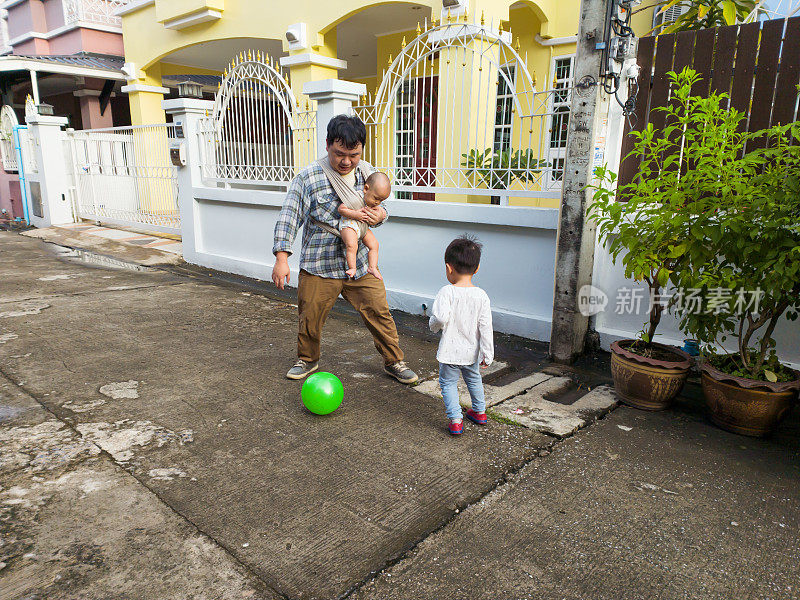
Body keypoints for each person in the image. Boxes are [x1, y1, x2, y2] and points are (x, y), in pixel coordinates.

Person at [272, 114, 418, 385]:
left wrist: (381, 215)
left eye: (354, 154)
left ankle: (394, 361)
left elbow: (385, 204)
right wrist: (282, 258)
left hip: (360, 263)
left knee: (379, 312)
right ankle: (307, 359)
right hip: (319, 263)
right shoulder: (308, 177)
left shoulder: (367, 172)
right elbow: (289, 216)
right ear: (327, 145)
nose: (347, 161)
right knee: (310, 315)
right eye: (340, 153)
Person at [429, 235, 494, 435]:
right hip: (471, 351)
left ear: (449, 268)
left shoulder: (447, 292)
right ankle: (480, 412)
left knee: (448, 383)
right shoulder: (481, 295)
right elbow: (486, 326)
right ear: (477, 269)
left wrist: (433, 326)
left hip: (450, 351)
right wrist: (487, 353)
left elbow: (439, 318)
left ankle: (456, 420)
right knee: (474, 380)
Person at [338, 171, 391, 280]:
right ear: (366, 189)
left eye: (381, 200)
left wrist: (379, 214)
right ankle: (352, 268)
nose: (377, 202)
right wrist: (355, 214)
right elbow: (341, 209)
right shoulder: (356, 196)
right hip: (349, 225)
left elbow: (381, 212)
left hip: (362, 228)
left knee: (374, 245)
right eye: (376, 198)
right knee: (352, 245)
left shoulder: (372, 202)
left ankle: (372, 267)